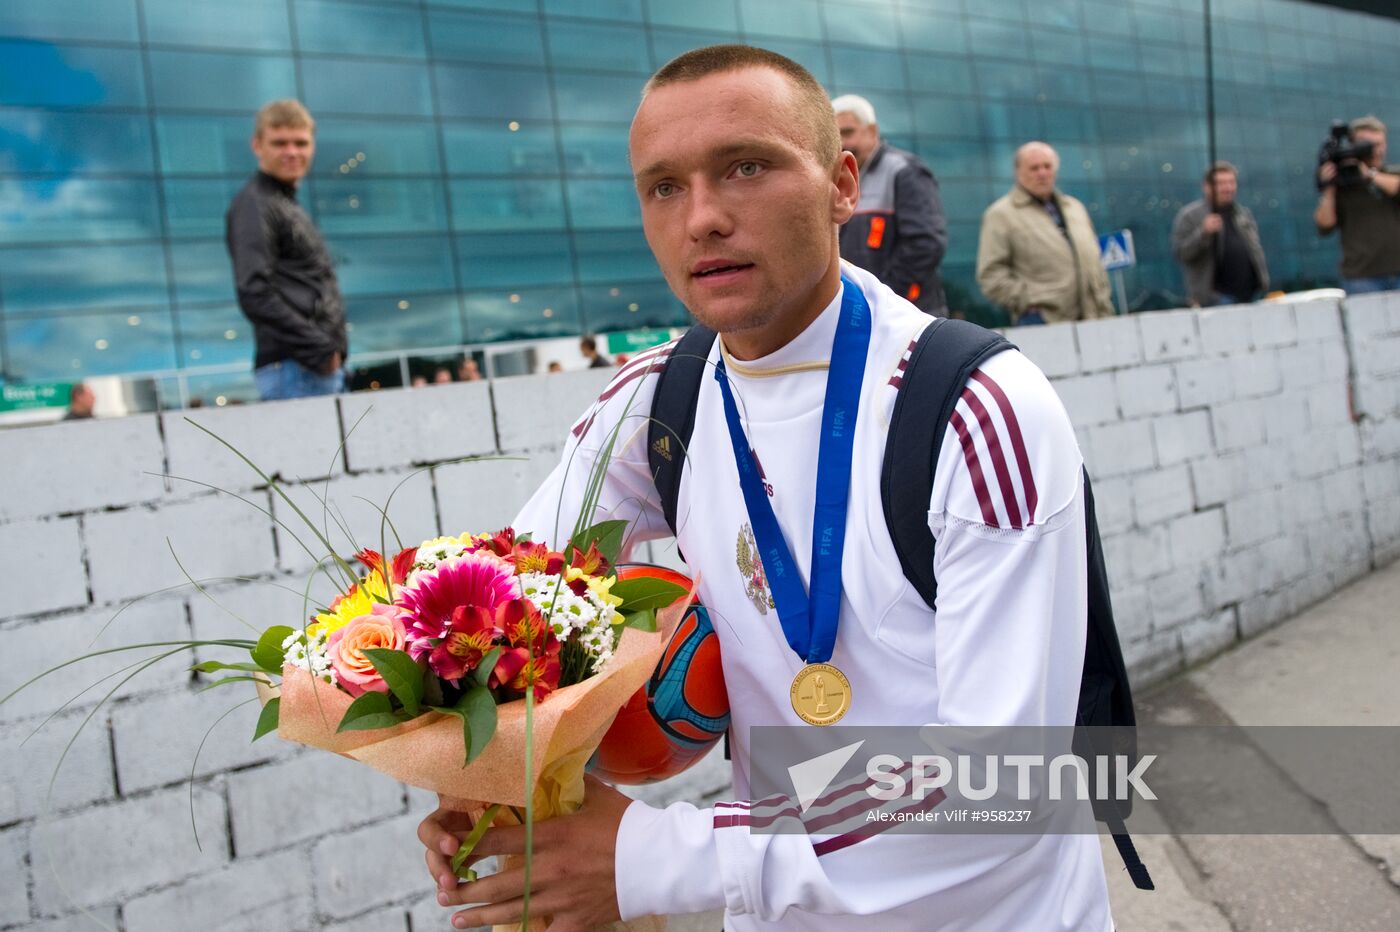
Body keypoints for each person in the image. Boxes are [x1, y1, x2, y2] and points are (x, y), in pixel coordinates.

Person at [418, 46, 1111, 931]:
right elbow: (505, 604)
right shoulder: (652, 404)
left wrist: (646, 862)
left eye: (746, 167)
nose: (702, 218)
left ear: (840, 184)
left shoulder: (975, 410)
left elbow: (1003, 788)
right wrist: (483, 781)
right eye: (663, 187)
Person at [225, 99, 347, 401]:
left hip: (307, 370)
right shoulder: (255, 204)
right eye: (280, 143)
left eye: (300, 143)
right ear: (257, 145)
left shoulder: (283, 203)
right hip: (297, 370)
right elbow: (254, 291)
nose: (292, 152)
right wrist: (320, 348)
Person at [831, 94, 948, 313]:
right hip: (858, 313)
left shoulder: (904, 171)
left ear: (872, 131)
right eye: (836, 135)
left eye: (848, 132)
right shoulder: (837, 179)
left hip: (907, 315)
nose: (843, 143)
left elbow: (926, 243)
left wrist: (883, 295)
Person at [976, 141, 1114, 325]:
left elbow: (1096, 262)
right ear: (1018, 172)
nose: (1042, 173)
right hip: (1043, 323)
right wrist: (1031, 302)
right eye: (1034, 168)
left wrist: (1103, 304)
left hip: (1095, 319)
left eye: (1047, 166)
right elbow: (990, 275)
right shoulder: (1001, 215)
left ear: (1055, 170)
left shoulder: (1075, 208)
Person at [1314, 115, 1400, 294]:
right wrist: (1329, 188)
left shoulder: (1393, 173)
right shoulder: (1344, 185)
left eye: (1379, 144)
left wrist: (1370, 175)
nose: (1376, 150)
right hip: (1363, 278)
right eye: (1368, 145)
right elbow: (1324, 225)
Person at [1171, 161, 1270, 306]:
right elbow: (1181, 253)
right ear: (1207, 187)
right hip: (1216, 298)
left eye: (1231, 182)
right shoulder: (1189, 216)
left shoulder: (1243, 214)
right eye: (1221, 183)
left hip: (1252, 294)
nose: (1228, 188)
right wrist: (1203, 232)